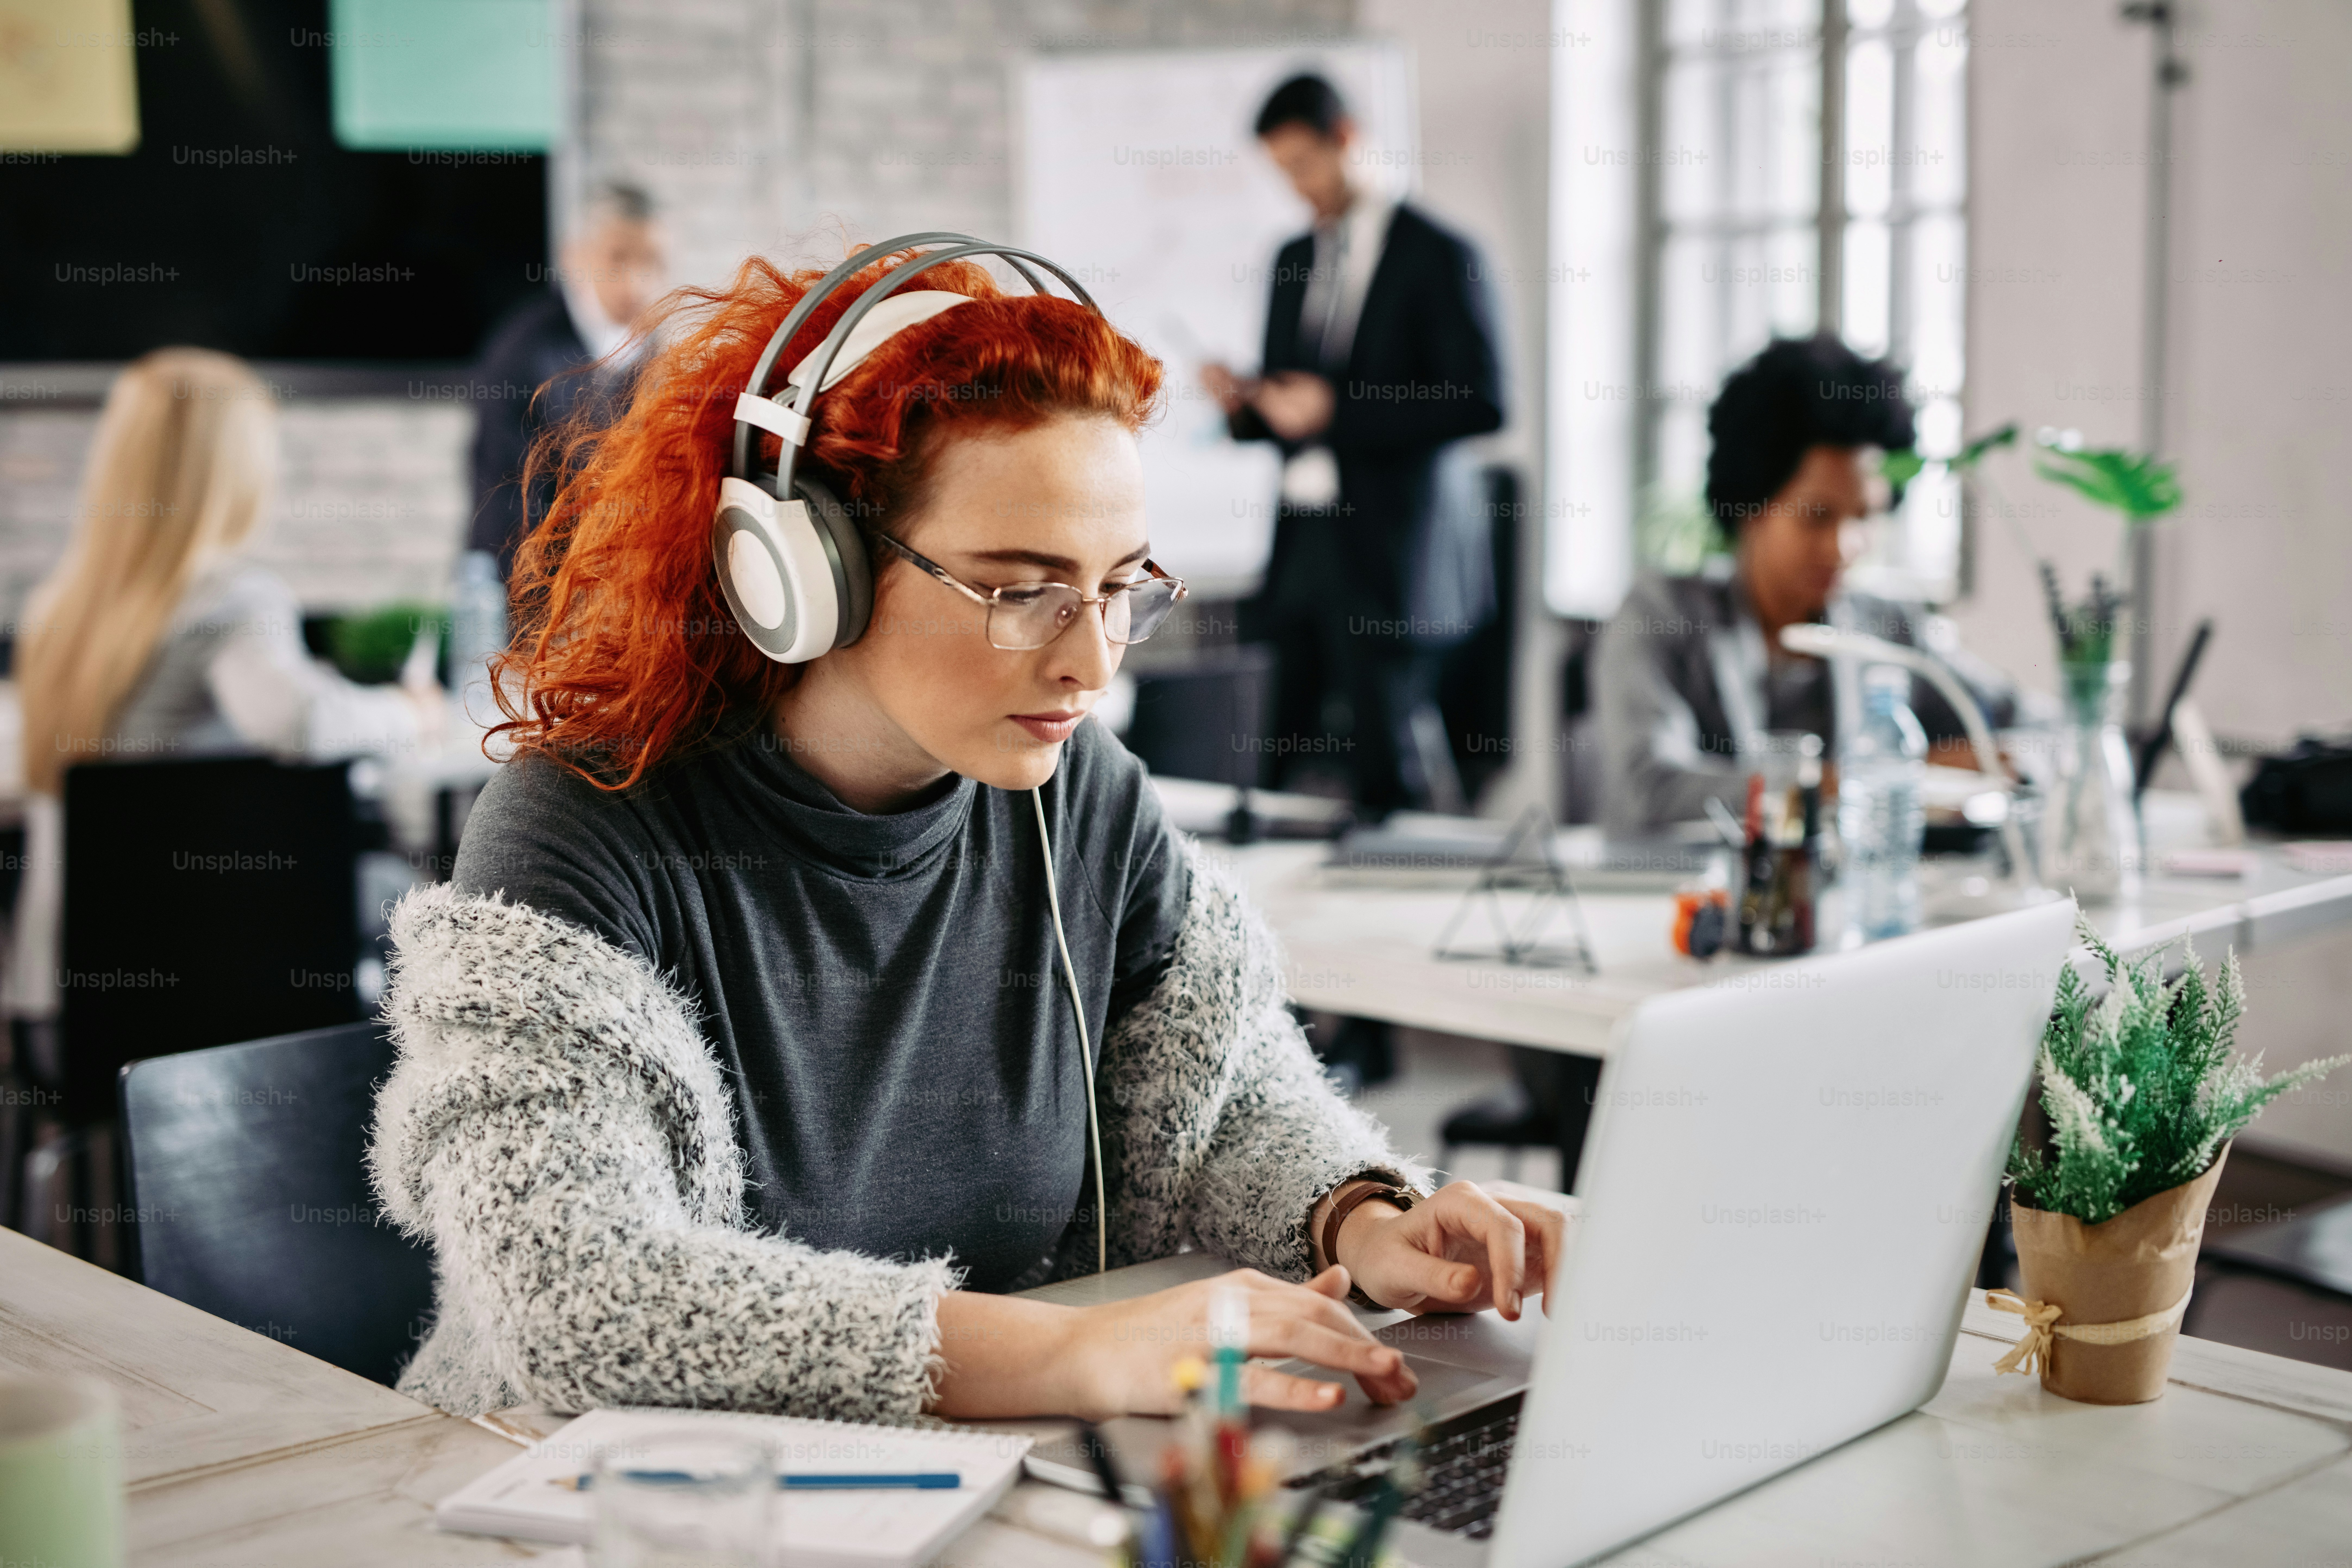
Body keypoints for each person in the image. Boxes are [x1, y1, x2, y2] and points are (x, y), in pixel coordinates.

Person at [365, 245, 1566, 1425]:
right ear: (802, 567)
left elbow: (1220, 1100)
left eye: (1116, 587)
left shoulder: (1076, 793)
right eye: (1020, 589)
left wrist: (1363, 1219)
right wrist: (1079, 1355)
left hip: (967, 1491)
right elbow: (584, 1298)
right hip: (595, 1504)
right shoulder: (581, 827)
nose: (1092, 660)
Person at [5, 349, 438, 1040]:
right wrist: (408, 711)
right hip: (218, 1020)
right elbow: (299, 722)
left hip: (61, 1008)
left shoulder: (59, 608)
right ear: (230, 471)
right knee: (406, 898)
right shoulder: (231, 600)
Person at [1203, 73, 1505, 819]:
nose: (1295, 188)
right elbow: (1288, 408)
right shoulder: (1291, 258)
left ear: (1347, 139)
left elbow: (1485, 400)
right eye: (1281, 172)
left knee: (1386, 769)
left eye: (1303, 165)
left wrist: (1336, 411)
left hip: (1393, 553)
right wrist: (1247, 406)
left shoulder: (1439, 253)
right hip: (1302, 540)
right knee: (1273, 756)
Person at [1592, 335, 2016, 836]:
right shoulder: (1662, 613)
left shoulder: (1888, 628)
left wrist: (2006, 760)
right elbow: (1651, 791)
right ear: (1751, 506)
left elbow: (2027, 725)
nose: (1844, 546)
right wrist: (1864, 782)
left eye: (1866, 516)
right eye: (1817, 516)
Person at [466, 180, 667, 581]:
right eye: (619, 258)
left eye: (652, 262)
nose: (637, 282)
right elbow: (508, 497)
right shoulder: (522, 350)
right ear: (576, 256)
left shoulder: (655, 352)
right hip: (530, 580)